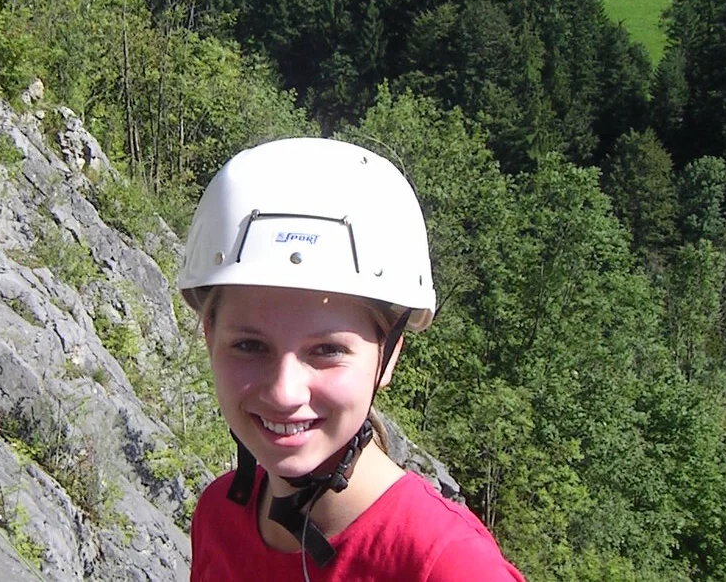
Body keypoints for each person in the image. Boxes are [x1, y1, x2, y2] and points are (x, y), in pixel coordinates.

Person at [177, 138, 525, 582]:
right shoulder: (217, 517)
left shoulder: (448, 565)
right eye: (249, 345)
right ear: (209, 338)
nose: (284, 392)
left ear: (389, 355)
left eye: (327, 351)